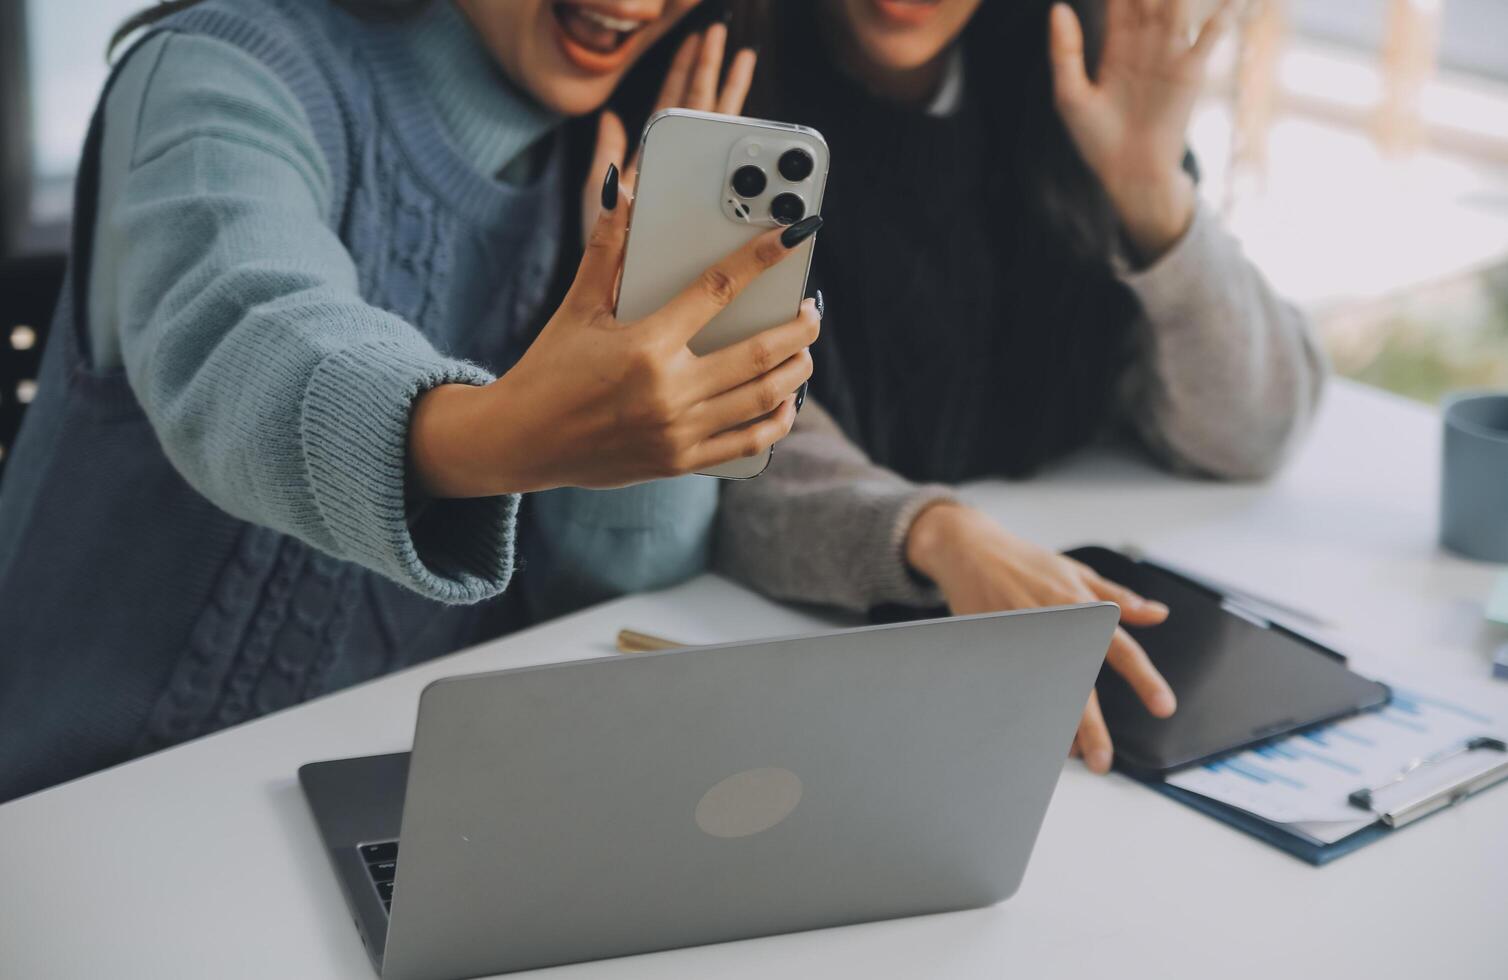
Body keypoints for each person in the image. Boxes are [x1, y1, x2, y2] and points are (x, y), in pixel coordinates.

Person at [0, 0, 820, 801]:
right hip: (89, 814)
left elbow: (607, 602)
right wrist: (492, 435)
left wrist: (657, 334)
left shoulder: (596, 170)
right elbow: (241, 332)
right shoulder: (217, 67)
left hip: (397, 804)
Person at [714, 0, 1327, 773]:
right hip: (808, 679)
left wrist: (1150, 189)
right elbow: (722, 435)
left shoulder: (1074, 79)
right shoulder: (722, 81)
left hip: (1043, 692)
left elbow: (1253, 429)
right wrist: (936, 533)